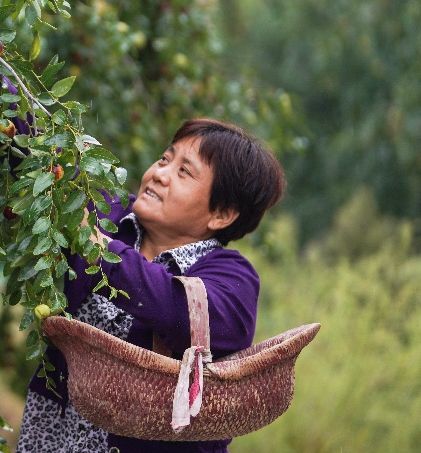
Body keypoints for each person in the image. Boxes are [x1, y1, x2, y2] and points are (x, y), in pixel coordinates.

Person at [16, 118, 286, 453]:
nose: (160, 173)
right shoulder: (109, 214)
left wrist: (97, 247)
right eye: (164, 159)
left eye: (183, 172)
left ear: (221, 214)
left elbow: (180, 311)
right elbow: (42, 154)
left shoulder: (233, 279)